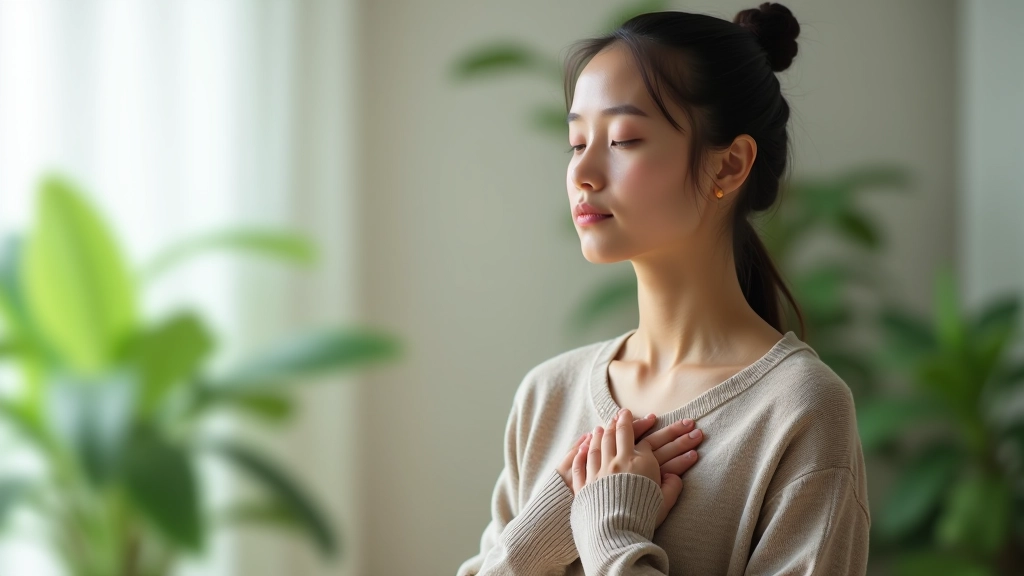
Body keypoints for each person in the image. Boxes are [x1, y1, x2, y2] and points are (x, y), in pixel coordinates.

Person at [456, 4, 870, 575]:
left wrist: (609, 532)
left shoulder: (801, 410)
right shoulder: (548, 395)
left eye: (623, 139)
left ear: (729, 166)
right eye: (576, 142)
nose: (582, 173)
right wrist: (541, 535)